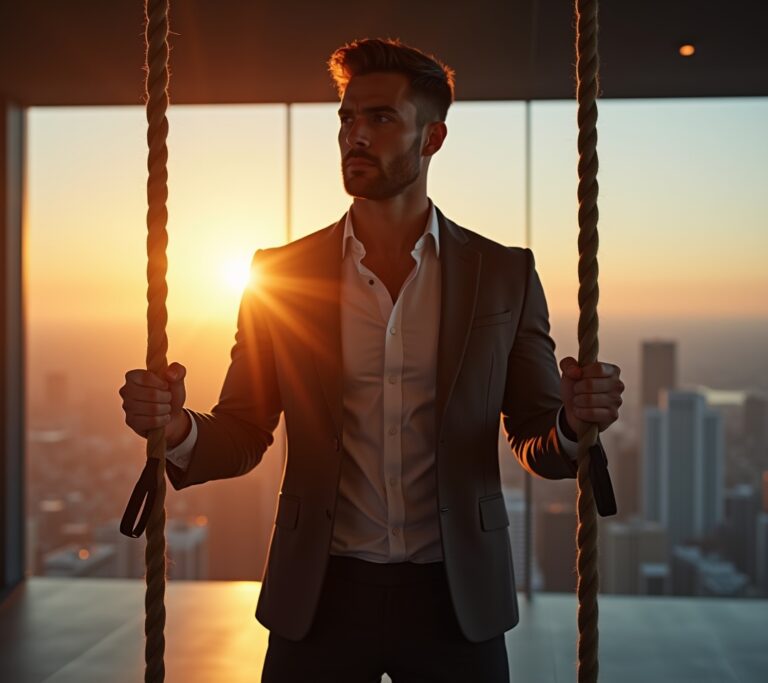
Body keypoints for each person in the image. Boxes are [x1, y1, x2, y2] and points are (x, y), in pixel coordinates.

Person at [119, 38, 624, 683]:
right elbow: (243, 430)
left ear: (432, 138)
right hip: (319, 596)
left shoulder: (504, 275)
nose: (355, 135)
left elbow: (536, 435)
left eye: (381, 118)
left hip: (457, 598)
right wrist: (177, 426)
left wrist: (575, 425)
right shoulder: (279, 274)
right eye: (347, 119)